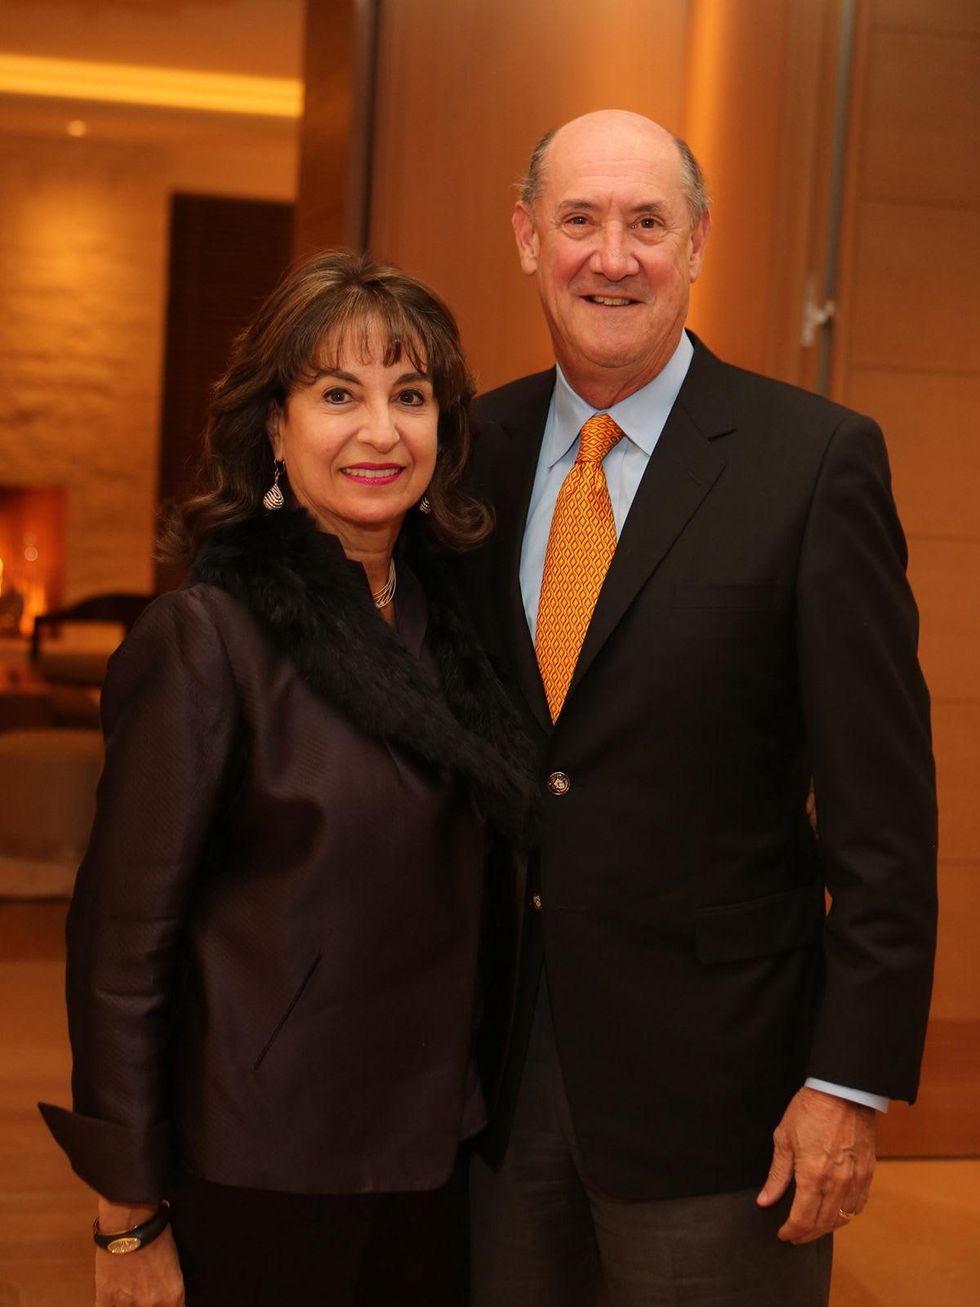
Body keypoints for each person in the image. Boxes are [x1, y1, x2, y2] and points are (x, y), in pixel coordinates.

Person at [465, 109, 938, 1306]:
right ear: (527, 237)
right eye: (577, 219)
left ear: (697, 242)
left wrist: (847, 1081)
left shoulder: (814, 459)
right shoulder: (465, 451)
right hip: (483, 1091)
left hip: (722, 1099)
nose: (609, 256)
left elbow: (883, 818)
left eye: (645, 223)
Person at [39, 250, 535, 1307]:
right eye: (337, 394)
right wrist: (127, 1217)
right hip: (262, 1170)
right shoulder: (206, 639)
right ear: (274, 427)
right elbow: (123, 950)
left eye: (410, 396)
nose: (379, 430)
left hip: (436, 1156)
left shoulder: (457, 639)